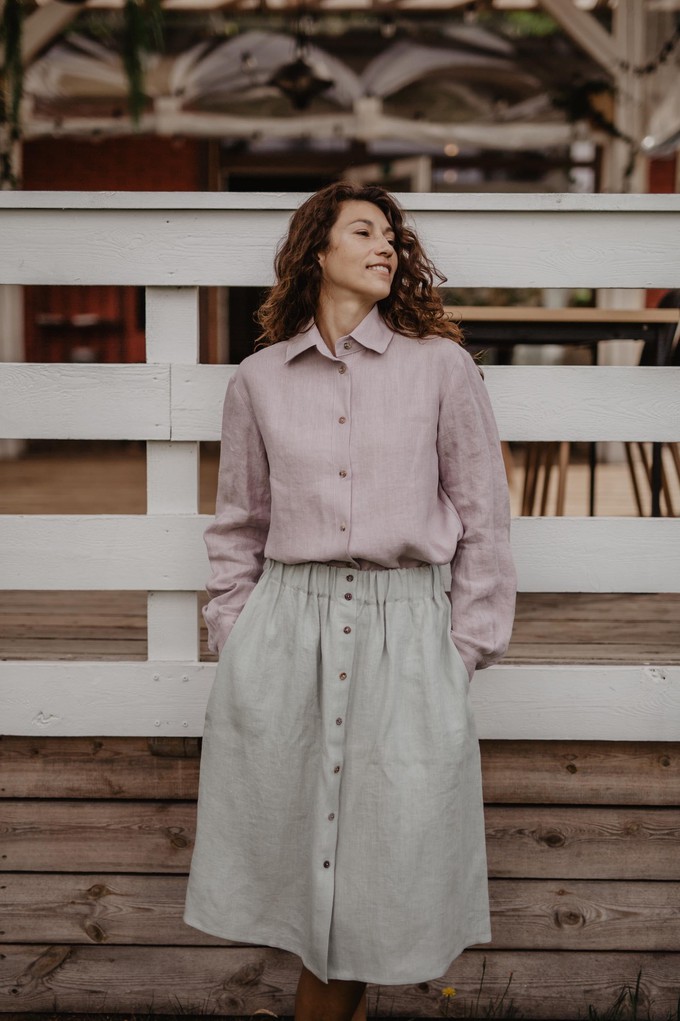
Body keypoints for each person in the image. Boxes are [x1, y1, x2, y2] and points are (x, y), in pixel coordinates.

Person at [183, 182, 516, 1021]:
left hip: (407, 628)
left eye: (393, 237)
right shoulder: (257, 380)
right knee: (303, 870)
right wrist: (236, 630)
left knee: (384, 864)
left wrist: (463, 645)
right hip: (286, 633)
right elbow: (239, 523)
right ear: (317, 251)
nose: (387, 246)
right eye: (363, 230)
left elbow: (484, 514)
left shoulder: (441, 365)